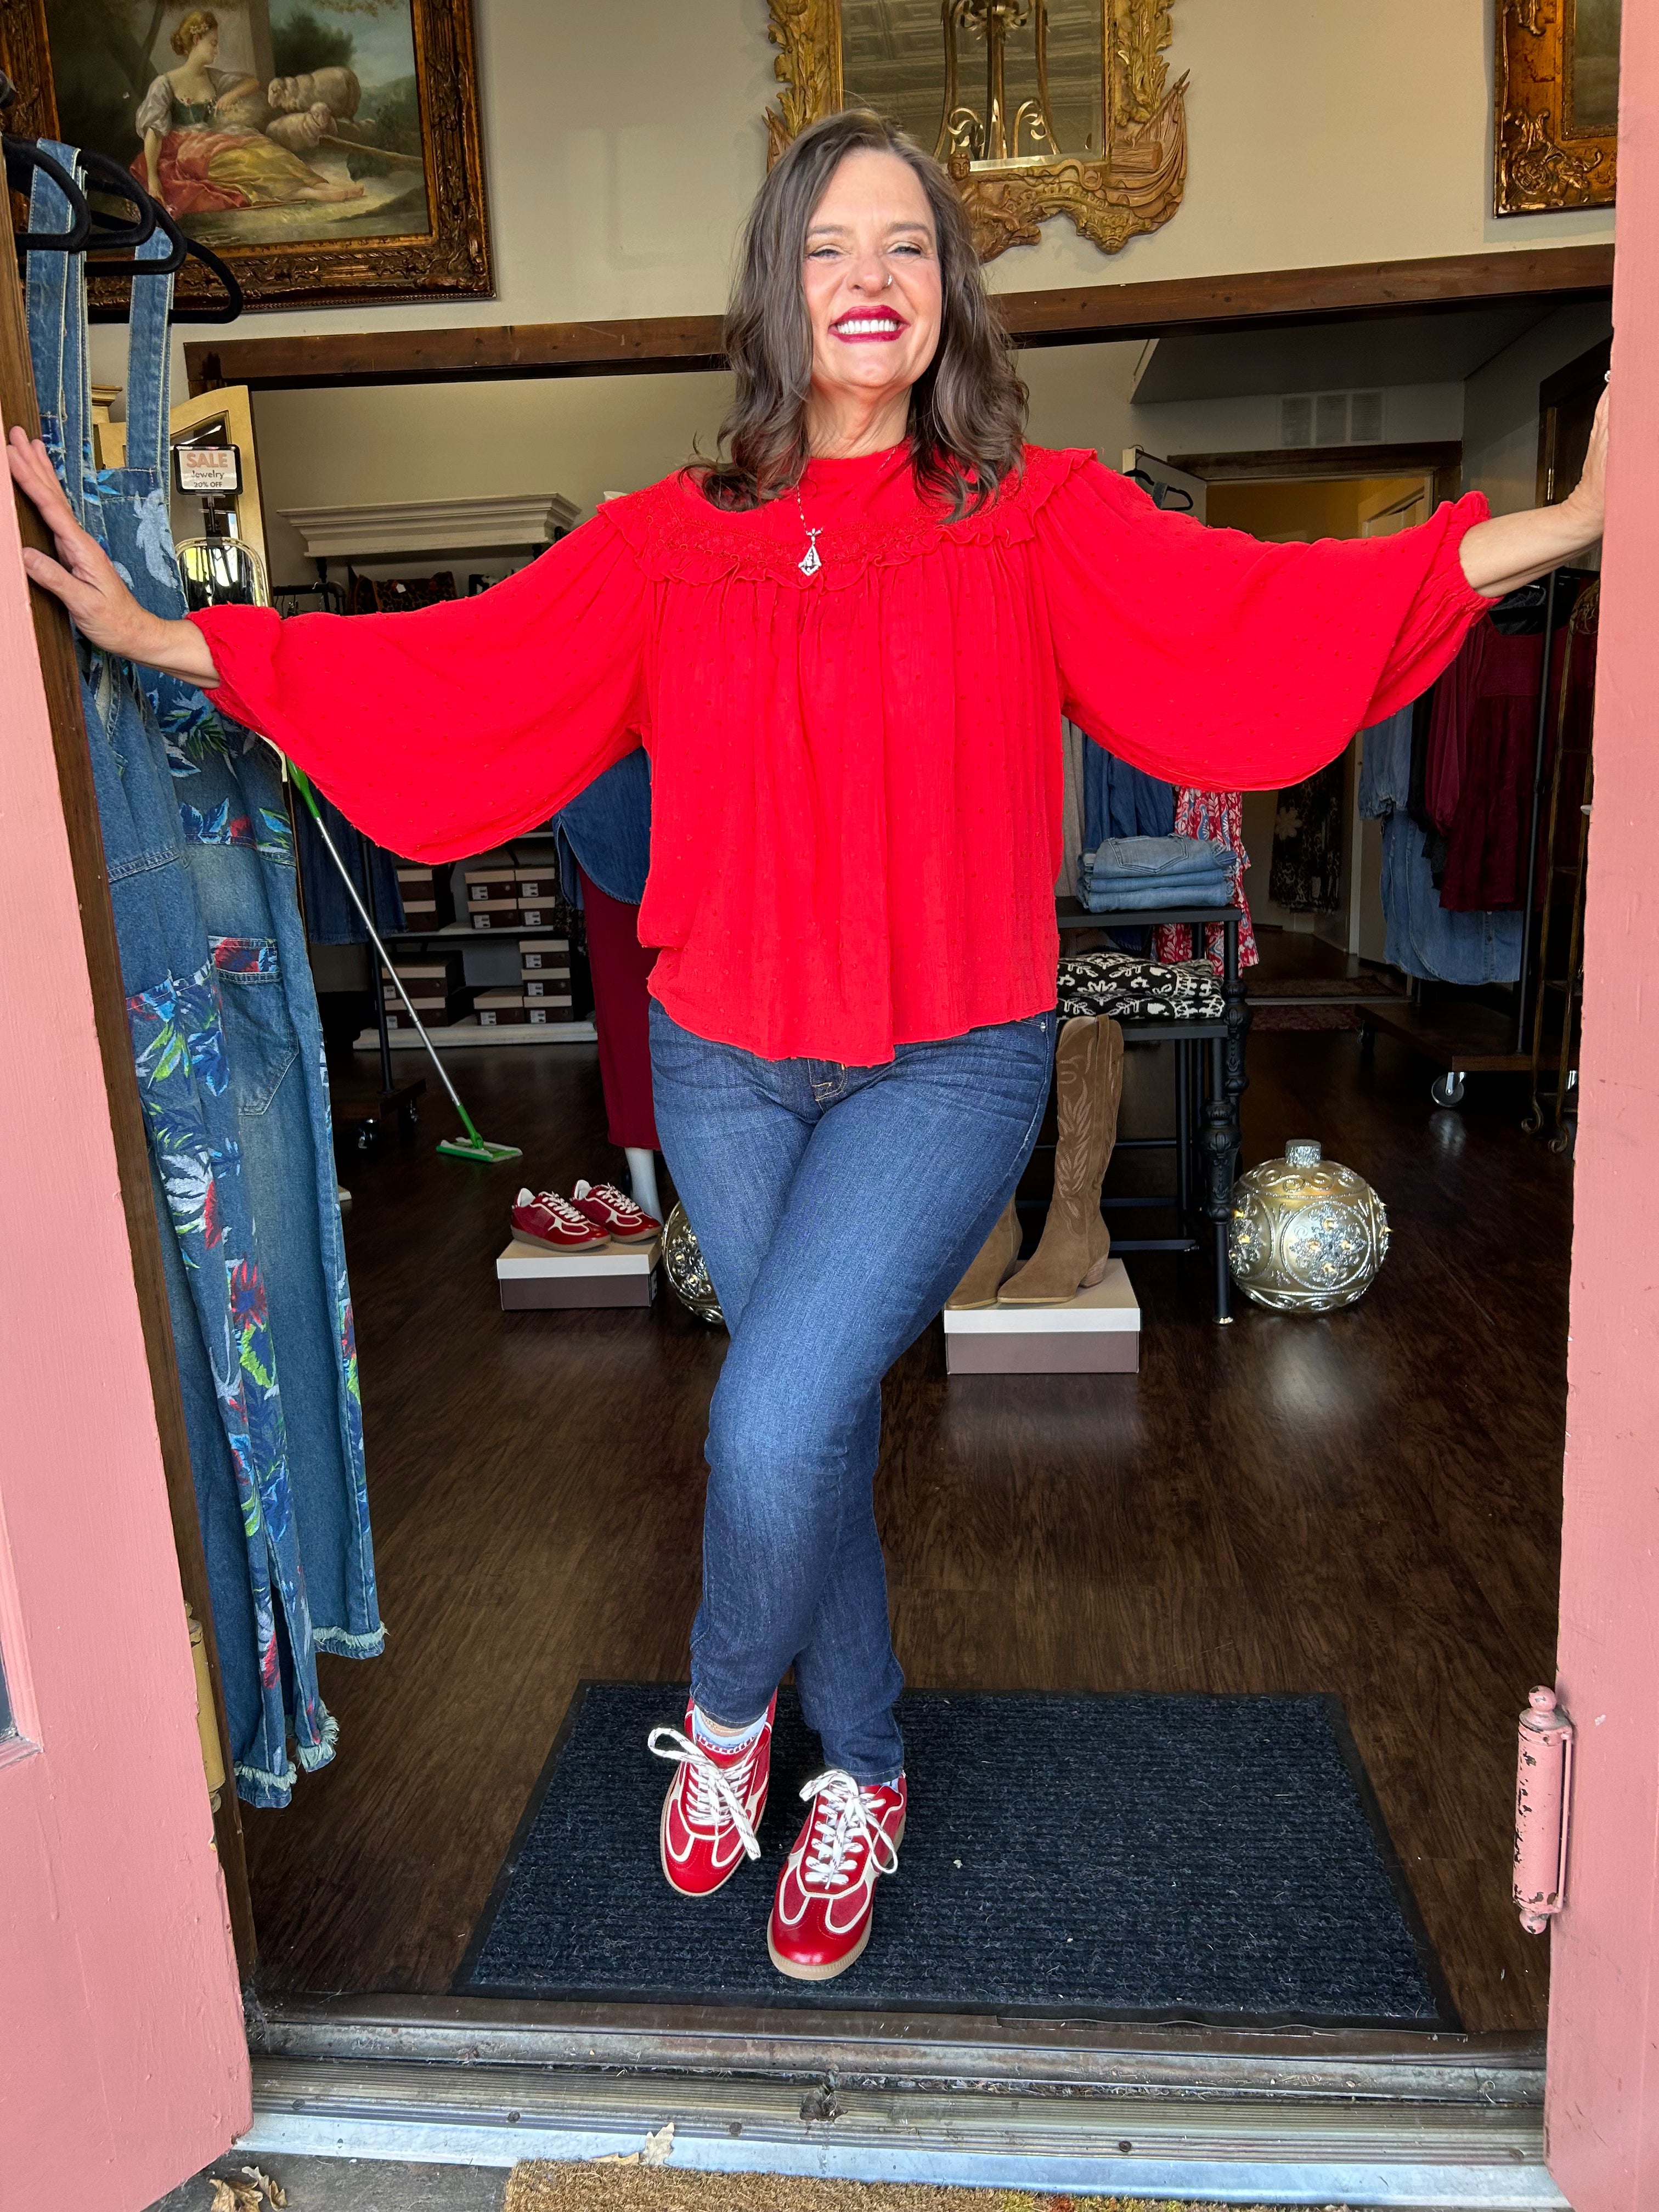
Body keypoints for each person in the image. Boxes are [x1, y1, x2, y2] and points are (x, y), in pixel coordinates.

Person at [8, 109, 1609, 1984]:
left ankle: (725, 1708)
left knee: (769, 1420)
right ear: (777, 287)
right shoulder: (660, 549)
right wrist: (171, 634)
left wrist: (1563, 523)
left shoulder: (1036, 519)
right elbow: (455, 670)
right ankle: (867, 1771)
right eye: (832, 246)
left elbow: (1262, 608)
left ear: (948, 296)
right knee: (811, 1427)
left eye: (908, 246)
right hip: (727, 1057)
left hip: (950, 1058)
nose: (871, 277)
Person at [133, 9, 365, 218]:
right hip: (186, 151)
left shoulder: (212, 77)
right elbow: (154, 133)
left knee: (267, 149)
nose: (217, 50)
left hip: (212, 140)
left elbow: (252, 83)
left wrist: (230, 95)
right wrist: (153, 178)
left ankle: (321, 185)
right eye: (213, 44)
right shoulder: (165, 84)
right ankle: (311, 194)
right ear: (196, 41)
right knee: (248, 163)